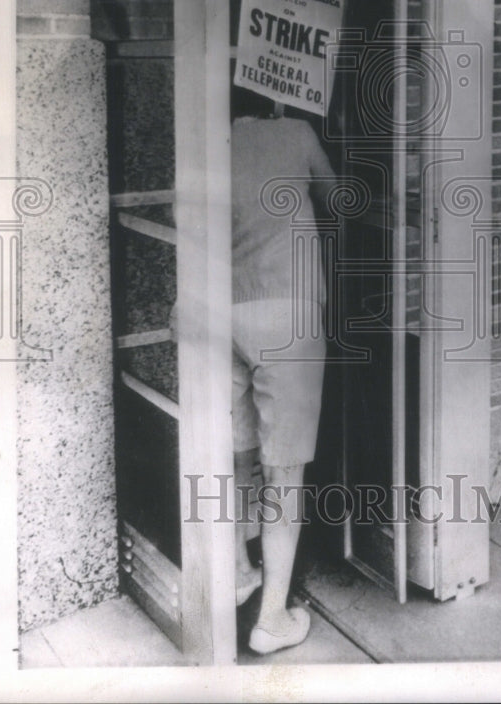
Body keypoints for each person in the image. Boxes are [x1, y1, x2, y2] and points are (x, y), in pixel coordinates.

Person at [230, 86, 336, 655]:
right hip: (285, 313)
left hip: (219, 313)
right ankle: (272, 620)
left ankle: (238, 570)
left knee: (234, 455)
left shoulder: (212, 141)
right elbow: (342, 202)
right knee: (284, 473)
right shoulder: (294, 133)